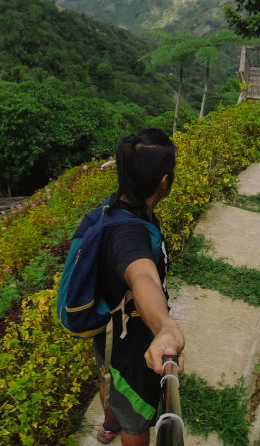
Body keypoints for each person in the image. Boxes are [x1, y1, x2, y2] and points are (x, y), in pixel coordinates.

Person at [94, 129, 186, 445]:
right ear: (164, 182)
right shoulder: (128, 235)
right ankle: (120, 424)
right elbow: (142, 276)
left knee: (107, 377)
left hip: (106, 332)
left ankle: (109, 422)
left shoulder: (121, 201)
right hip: (129, 346)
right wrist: (163, 326)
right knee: (135, 419)